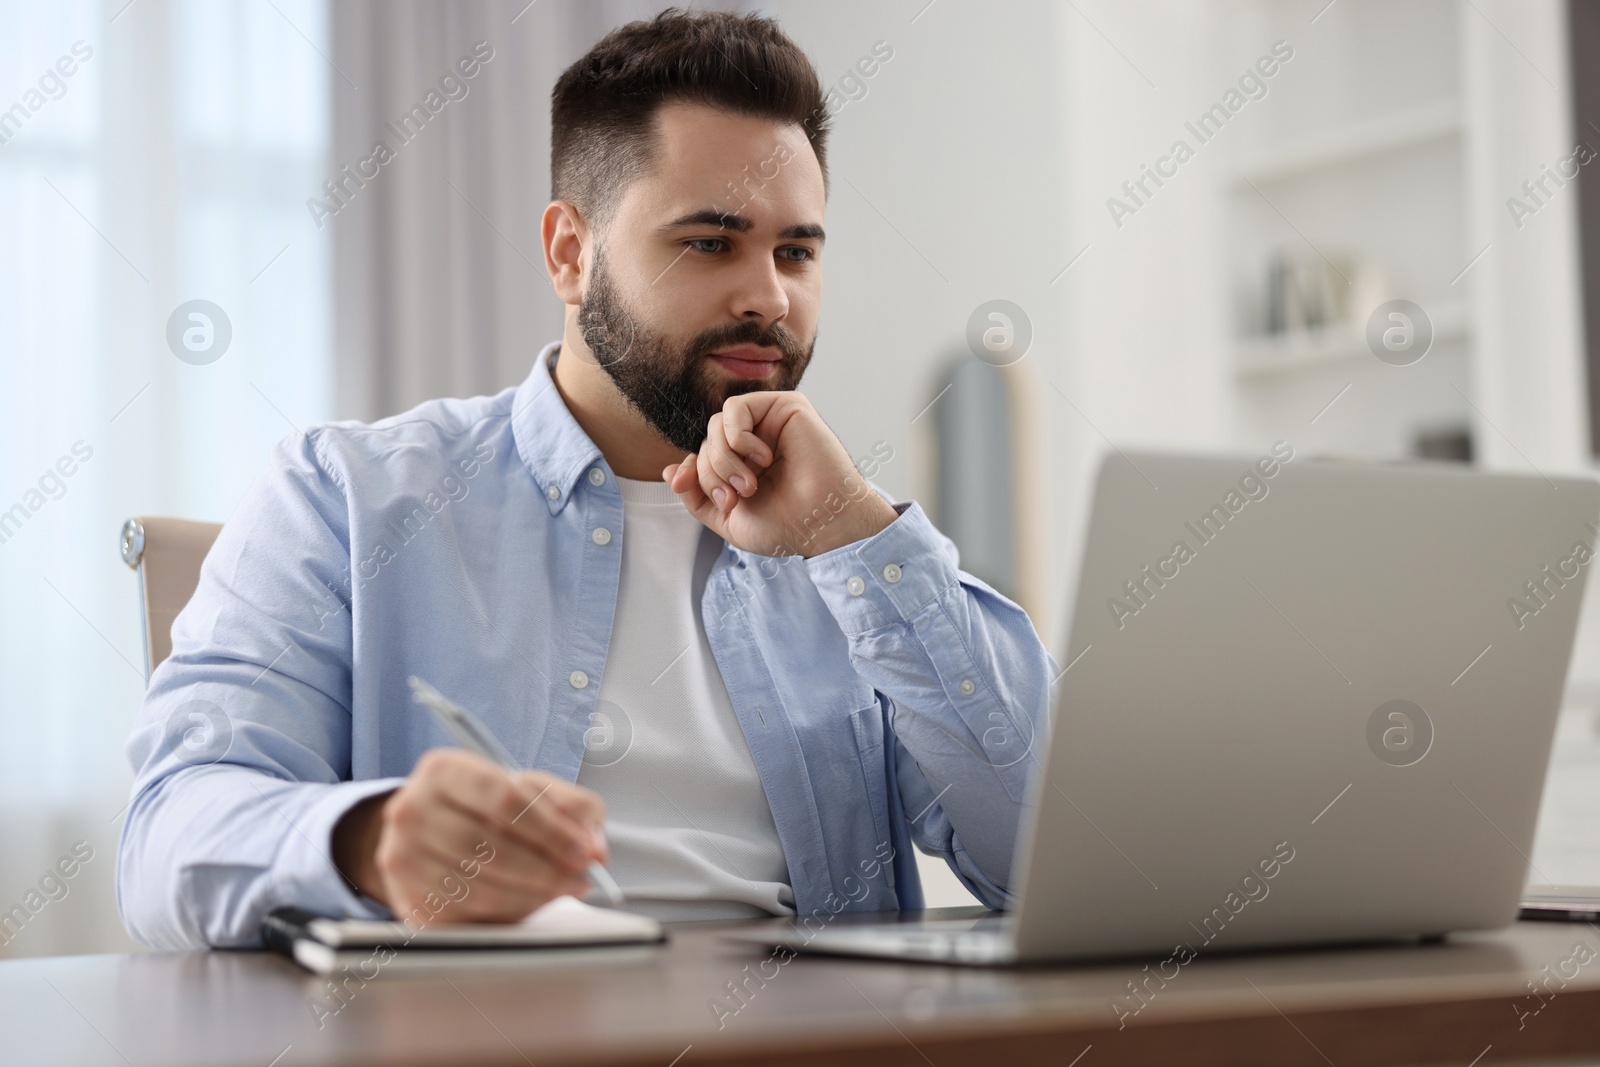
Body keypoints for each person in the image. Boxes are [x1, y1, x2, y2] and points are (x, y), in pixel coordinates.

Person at [117, 7, 1052, 949]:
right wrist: (365, 842)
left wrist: (856, 535)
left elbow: (1050, 856)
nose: (768, 295)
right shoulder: (348, 498)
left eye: (796, 251)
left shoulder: (846, 548)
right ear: (571, 252)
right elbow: (166, 841)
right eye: (709, 242)